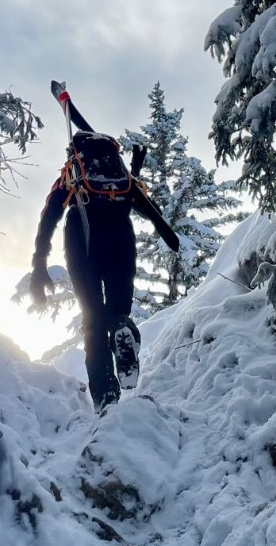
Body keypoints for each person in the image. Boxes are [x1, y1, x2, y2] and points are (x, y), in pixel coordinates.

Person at [30, 88, 180, 411]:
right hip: (121, 240)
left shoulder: (73, 174)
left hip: (82, 240)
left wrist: (39, 264)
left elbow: (49, 215)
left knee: (93, 319)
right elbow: (147, 208)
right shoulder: (120, 175)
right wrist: (167, 232)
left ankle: (106, 397)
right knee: (117, 312)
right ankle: (122, 327)